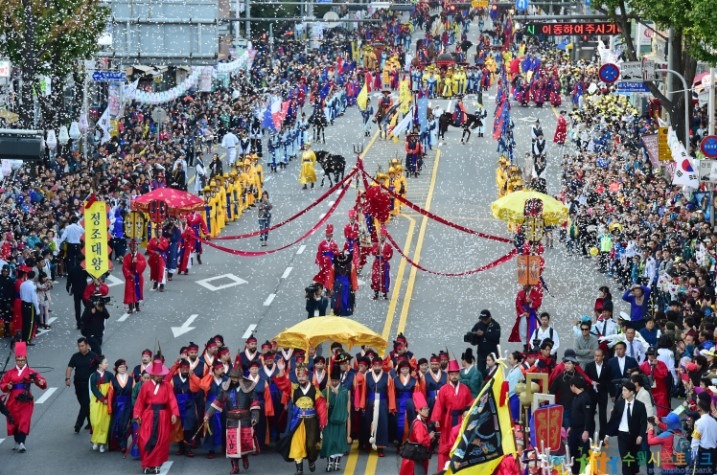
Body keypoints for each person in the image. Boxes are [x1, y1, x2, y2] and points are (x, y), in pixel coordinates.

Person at [203, 366, 261, 474]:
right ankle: (235, 466)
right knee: (232, 444)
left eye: (236, 378)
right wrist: (208, 414)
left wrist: (255, 417)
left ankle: (245, 457)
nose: (234, 380)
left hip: (245, 419)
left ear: (241, 377)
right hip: (231, 420)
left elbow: (254, 403)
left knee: (245, 442)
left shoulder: (249, 387)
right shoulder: (226, 388)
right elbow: (217, 402)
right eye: (232, 378)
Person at [275, 360, 328, 475]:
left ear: (307, 376)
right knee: (296, 445)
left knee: (311, 445)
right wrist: (281, 370)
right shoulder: (293, 388)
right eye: (299, 377)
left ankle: (311, 460)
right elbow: (283, 384)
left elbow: (321, 406)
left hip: (311, 422)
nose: (301, 379)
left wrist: (323, 422)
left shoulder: (315, 390)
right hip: (297, 421)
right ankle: (299, 470)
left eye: (303, 376)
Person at [133, 358, 180, 475]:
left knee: (161, 441)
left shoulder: (167, 386)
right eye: (158, 375)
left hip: (163, 416)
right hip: (149, 415)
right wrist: (137, 414)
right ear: (153, 375)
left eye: (162, 375)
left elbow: (172, 400)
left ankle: (156, 464)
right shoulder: (145, 386)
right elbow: (139, 401)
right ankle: (146, 464)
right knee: (145, 439)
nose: (161, 377)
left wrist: (174, 413)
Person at [0, 342, 48, 452]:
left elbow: (41, 382)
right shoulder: (10, 373)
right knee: (14, 421)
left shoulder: (31, 372)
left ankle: (22, 442)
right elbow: (2, 384)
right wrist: (7, 385)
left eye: (22, 360)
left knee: (24, 420)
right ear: (16, 361)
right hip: (12, 401)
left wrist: (40, 381)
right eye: (18, 360)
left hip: (26, 401)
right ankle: (17, 440)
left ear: (25, 360)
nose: (20, 362)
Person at [430, 359, 473, 472]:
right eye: (452, 374)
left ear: (459, 374)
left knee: (460, 444)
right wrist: (437, 419)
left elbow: (470, 405)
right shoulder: (444, 389)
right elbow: (439, 405)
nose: (454, 376)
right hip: (447, 419)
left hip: (461, 419)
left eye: (456, 374)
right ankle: (443, 470)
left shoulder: (465, 389)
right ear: (448, 375)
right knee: (445, 445)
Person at [604, 382, 647, 475]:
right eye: (622, 390)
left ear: (631, 392)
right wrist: (607, 434)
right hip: (622, 435)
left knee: (633, 461)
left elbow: (643, 423)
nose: (622, 392)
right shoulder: (619, 404)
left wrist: (640, 435)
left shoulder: (640, 406)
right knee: (625, 460)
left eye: (625, 390)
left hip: (634, 436)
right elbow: (613, 420)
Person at [360, 357, 396, 457]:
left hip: (383, 402)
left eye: (379, 365)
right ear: (372, 365)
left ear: (381, 366)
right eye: (375, 365)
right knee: (368, 422)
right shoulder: (366, 376)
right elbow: (364, 391)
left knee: (382, 423)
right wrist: (362, 405)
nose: (377, 367)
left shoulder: (387, 376)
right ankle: (368, 443)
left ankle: (380, 447)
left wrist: (391, 406)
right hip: (370, 401)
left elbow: (390, 392)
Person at [320, 365, 352, 472]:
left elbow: (342, 398)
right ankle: (329, 464)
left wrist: (332, 387)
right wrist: (325, 406)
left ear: (339, 380)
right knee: (329, 442)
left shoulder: (344, 391)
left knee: (339, 443)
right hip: (329, 422)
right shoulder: (325, 392)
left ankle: (337, 464)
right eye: (332, 380)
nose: (334, 382)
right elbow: (320, 404)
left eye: (336, 380)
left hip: (339, 420)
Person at [398, 391, 435, 475]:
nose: (427, 411)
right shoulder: (419, 424)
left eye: (427, 408)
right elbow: (421, 440)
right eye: (425, 409)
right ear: (419, 411)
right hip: (416, 458)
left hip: (413, 456)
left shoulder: (419, 421)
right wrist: (430, 437)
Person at [66, 337, 97, 433]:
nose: (81, 348)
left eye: (82, 346)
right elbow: (70, 367)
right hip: (78, 384)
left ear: (87, 345)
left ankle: (78, 424)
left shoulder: (94, 356)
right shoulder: (75, 356)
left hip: (89, 385)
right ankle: (90, 421)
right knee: (83, 403)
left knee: (85, 403)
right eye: (79, 346)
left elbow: (99, 369)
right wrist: (67, 378)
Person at [584, 348, 612, 439]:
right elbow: (586, 379)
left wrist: (612, 394)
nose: (596, 358)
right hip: (591, 393)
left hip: (603, 393)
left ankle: (602, 436)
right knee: (590, 414)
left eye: (598, 356)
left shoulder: (607, 367)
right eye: (595, 356)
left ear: (603, 357)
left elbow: (609, 381)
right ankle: (590, 435)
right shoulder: (589, 366)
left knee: (603, 415)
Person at [567, 377, 593, 475]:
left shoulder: (585, 398)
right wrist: (570, 426)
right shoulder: (575, 397)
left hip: (582, 430)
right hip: (574, 429)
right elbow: (574, 414)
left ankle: (585, 472)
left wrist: (586, 430)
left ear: (573, 386)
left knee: (584, 453)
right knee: (573, 451)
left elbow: (588, 415)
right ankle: (575, 472)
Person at [109, 359, 134, 455]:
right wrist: (110, 407)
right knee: (119, 425)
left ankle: (124, 444)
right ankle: (121, 444)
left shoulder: (131, 379)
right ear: (116, 369)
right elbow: (111, 395)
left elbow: (133, 393)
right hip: (118, 405)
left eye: (124, 367)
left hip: (128, 405)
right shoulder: (113, 380)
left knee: (125, 425)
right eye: (121, 367)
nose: (123, 369)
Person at [89, 355, 113, 453]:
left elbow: (112, 387)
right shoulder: (93, 376)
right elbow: (93, 389)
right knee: (96, 421)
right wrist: (102, 399)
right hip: (97, 401)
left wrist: (108, 398)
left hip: (108, 401)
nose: (107, 364)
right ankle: (95, 440)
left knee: (105, 422)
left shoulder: (110, 375)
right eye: (105, 363)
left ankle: (103, 443)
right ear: (99, 365)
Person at [640, 346, 670, 418]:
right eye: (650, 354)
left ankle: (661, 425)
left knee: (662, 411)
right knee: (647, 411)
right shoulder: (642, 366)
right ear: (647, 355)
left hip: (660, 391)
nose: (652, 356)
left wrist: (657, 366)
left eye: (654, 355)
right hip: (648, 391)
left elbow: (664, 375)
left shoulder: (662, 364)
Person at [690, 399, 717, 475]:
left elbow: (695, 441)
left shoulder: (699, 423)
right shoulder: (714, 421)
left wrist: (693, 458)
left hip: (703, 454)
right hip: (713, 453)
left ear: (699, 408)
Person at [122, 239, 146, 313]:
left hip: (138, 276)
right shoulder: (127, 257)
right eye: (132, 247)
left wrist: (137, 262)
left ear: (137, 247)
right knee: (129, 292)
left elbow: (144, 264)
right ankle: (130, 307)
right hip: (130, 277)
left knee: (137, 291)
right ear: (130, 248)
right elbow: (124, 267)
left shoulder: (140, 256)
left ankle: (137, 305)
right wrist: (129, 274)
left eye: (135, 247)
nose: (133, 248)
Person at [370, 227, 393, 300]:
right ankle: (376, 292)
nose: (382, 237)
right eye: (381, 235)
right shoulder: (376, 244)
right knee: (375, 277)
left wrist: (384, 256)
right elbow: (373, 252)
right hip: (377, 262)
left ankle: (385, 292)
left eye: (383, 235)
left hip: (384, 263)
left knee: (385, 278)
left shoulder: (388, 246)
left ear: (386, 237)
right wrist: (377, 249)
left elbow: (390, 255)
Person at [314, 225, 339, 290]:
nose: (328, 237)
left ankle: (329, 288)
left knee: (331, 275)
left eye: (330, 235)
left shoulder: (334, 244)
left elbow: (337, 252)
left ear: (332, 236)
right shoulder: (322, 244)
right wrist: (320, 261)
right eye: (327, 235)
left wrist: (335, 255)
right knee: (325, 275)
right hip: (324, 262)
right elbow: (319, 253)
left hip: (331, 262)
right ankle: (327, 288)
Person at [18, 270, 39, 344]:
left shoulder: (23, 284)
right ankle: (27, 340)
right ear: (34, 276)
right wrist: (37, 309)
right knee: (30, 323)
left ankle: (24, 338)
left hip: (23, 304)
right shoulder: (33, 286)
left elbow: (20, 294)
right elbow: (34, 298)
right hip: (30, 305)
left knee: (25, 322)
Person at [66, 265, 88, 329]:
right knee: (88, 306)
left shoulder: (72, 269)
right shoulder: (85, 269)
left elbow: (69, 281)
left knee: (77, 307)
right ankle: (85, 319)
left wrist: (68, 289)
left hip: (76, 290)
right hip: (84, 290)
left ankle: (78, 323)